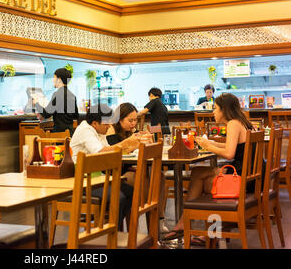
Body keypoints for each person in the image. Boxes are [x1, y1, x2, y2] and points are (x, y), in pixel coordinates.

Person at [163, 93, 255, 245]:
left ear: (224, 110)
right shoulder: (242, 122)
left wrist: (208, 146)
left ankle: (196, 228)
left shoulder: (233, 124)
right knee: (198, 172)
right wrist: (211, 143)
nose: (213, 111)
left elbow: (229, 154)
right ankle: (194, 227)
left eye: (216, 108)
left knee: (204, 183)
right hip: (248, 174)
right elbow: (232, 146)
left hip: (241, 178)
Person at [70, 103, 141, 230]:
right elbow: (101, 152)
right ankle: (112, 232)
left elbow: (110, 152)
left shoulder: (99, 132)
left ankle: (113, 228)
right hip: (82, 180)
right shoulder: (85, 130)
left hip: (97, 177)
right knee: (118, 196)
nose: (109, 127)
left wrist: (132, 146)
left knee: (130, 192)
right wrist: (125, 144)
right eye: (106, 124)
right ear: (95, 123)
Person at [106, 102, 170, 233]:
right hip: (116, 171)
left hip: (131, 168)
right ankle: (150, 217)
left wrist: (146, 141)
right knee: (144, 178)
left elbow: (134, 148)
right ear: (119, 119)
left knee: (159, 176)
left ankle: (158, 217)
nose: (133, 123)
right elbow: (116, 152)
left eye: (135, 120)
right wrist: (134, 145)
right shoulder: (110, 130)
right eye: (130, 120)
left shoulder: (131, 131)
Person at [33, 68, 79, 136]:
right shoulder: (72, 95)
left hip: (59, 134)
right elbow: (76, 115)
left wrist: (36, 103)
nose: (53, 80)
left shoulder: (57, 94)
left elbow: (46, 114)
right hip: (70, 133)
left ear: (59, 79)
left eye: (54, 78)